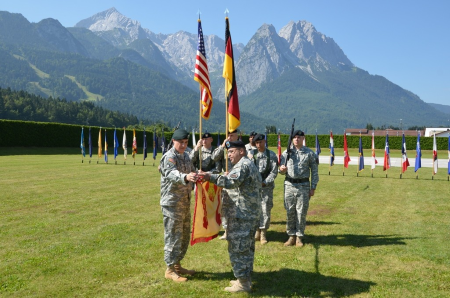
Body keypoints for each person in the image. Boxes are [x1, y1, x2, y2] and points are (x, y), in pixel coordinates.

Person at [198, 140, 261, 293]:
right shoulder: (245, 164)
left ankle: (243, 283)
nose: (229, 155)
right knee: (246, 248)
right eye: (228, 152)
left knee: (238, 249)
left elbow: (230, 181)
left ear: (242, 151)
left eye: (232, 151)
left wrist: (209, 176)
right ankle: (244, 278)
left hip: (241, 215)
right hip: (247, 214)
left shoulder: (243, 165)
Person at [159, 129, 198, 282]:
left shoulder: (186, 156)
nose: (183, 145)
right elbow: (171, 173)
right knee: (173, 236)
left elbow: (192, 171)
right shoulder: (169, 157)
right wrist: (186, 177)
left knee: (183, 236)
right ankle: (169, 269)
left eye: (186, 142)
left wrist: (198, 174)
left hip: (184, 201)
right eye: (181, 142)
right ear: (174, 141)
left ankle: (177, 265)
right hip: (172, 203)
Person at [279, 130, 319, 247]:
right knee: (290, 211)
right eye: (294, 137)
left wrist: (313, 187)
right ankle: (291, 236)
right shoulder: (287, 153)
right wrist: (281, 170)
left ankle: (299, 237)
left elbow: (315, 172)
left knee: (301, 213)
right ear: (292, 139)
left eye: (299, 137)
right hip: (289, 185)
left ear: (303, 139)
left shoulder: (309, 154)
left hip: (303, 186)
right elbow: (281, 170)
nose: (296, 139)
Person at [212, 129, 239, 240]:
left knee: (238, 208)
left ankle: (237, 231)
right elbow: (214, 157)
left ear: (237, 135)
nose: (230, 137)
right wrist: (222, 146)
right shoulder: (225, 148)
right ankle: (227, 231)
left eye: (232, 135)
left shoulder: (241, 148)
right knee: (225, 208)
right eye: (228, 135)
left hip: (237, 183)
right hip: (226, 183)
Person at [251, 133, 278, 244]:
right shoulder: (252, 155)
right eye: (257, 142)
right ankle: (257, 230)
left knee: (265, 209)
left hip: (266, 187)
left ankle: (263, 233)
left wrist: (265, 182)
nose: (259, 144)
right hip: (254, 188)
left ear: (264, 142)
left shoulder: (271, 155)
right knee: (255, 209)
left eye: (260, 142)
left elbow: (274, 171)